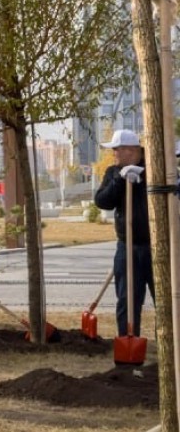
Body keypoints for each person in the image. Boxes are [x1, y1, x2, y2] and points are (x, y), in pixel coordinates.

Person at [93, 129, 154, 339]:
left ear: (130, 150)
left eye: (116, 150)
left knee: (167, 300)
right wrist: (120, 180)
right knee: (127, 300)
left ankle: (170, 347)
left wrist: (143, 177)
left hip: (157, 246)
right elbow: (102, 201)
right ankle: (128, 344)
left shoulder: (155, 167)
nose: (114, 155)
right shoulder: (113, 172)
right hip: (127, 246)